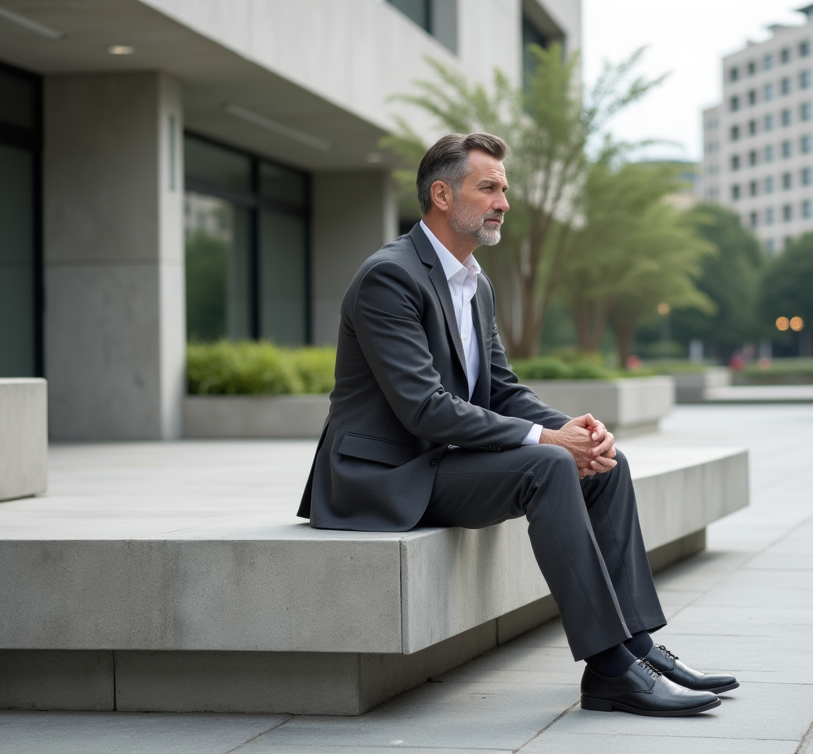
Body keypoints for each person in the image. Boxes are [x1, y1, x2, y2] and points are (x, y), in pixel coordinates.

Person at [298, 133, 737, 717]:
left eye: (504, 189)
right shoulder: (390, 277)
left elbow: (501, 389)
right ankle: (609, 671)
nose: (504, 201)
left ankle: (634, 646)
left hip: (439, 461)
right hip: (382, 474)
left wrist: (575, 429)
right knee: (549, 464)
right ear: (441, 195)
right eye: (489, 188)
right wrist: (550, 442)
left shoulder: (475, 283)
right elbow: (422, 407)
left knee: (604, 464)